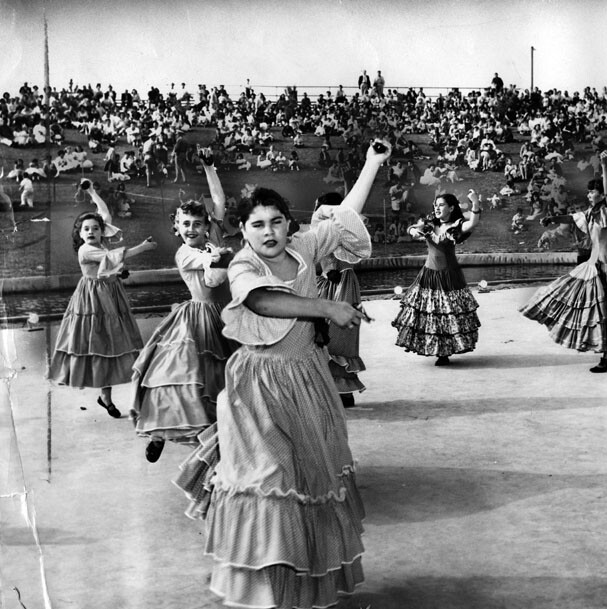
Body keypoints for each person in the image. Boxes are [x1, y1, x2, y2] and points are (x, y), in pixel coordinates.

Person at [175, 140, 391, 608]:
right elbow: (263, 301)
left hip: (308, 380)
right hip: (258, 386)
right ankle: (264, 589)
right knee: (269, 478)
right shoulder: (242, 264)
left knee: (310, 479)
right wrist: (327, 307)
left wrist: (372, 163)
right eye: (257, 224)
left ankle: (298, 584)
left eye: (276, 221)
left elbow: (344, 212)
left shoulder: (306, 245)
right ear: (243, 231)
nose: (269, 231)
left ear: (290, 224)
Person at [519, 151, 607, 373]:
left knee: (605, 314)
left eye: (593, 191)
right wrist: (552, 218)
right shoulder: (590, 214)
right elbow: (572, 218)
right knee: (592, 311)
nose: (589, 194)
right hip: (591, 267)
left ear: (602, 194)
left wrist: (605, 163)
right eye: (589, 191)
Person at [130, 198, 235, 463]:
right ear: (177, 226)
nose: (191, 229)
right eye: (185, 224)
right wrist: (219, 256)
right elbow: (206, 260)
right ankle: (159, 433)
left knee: (219, 378)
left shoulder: (211, 242)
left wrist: (209, 167)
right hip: (197, 318)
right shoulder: (185, 253)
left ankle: (216, 436)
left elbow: (219, 202)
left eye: (197, 224)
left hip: (224, 316)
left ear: (205, 226)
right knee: (181, 378)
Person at [49, 187, 157, 417]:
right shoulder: (86, 250)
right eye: (86, 229)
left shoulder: (99, 242)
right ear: (80, 234)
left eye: (95, 229)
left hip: (110, 293)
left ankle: (105, 396)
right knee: (100, 344)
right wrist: (144, 248)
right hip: (92, 299)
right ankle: (106, 396)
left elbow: (104, 213)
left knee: (110, 344)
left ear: (102, 232)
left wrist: (92, 192)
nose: (91, 232)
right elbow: (116, 256)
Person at [392, 190, 482, 366]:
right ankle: (438, 350)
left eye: (441, 205)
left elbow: (472, 223)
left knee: (447, 313)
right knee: (432, 313)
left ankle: (444, 353)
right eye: (436, 205)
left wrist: (475, 203)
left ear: (451, 207)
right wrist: (414, 232)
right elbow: (412, 228)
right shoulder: (429, 224)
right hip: (429, 274)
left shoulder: (457, 224)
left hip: (449, 276)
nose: (437, 207)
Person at [313, 192, 366, 408]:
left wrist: (328, 268)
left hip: (341, 283)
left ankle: (343, 389)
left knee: (339, 336)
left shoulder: (343, 227)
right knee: (323, 335)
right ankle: (332, 389)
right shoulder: (325, 228)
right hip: (328, 283)